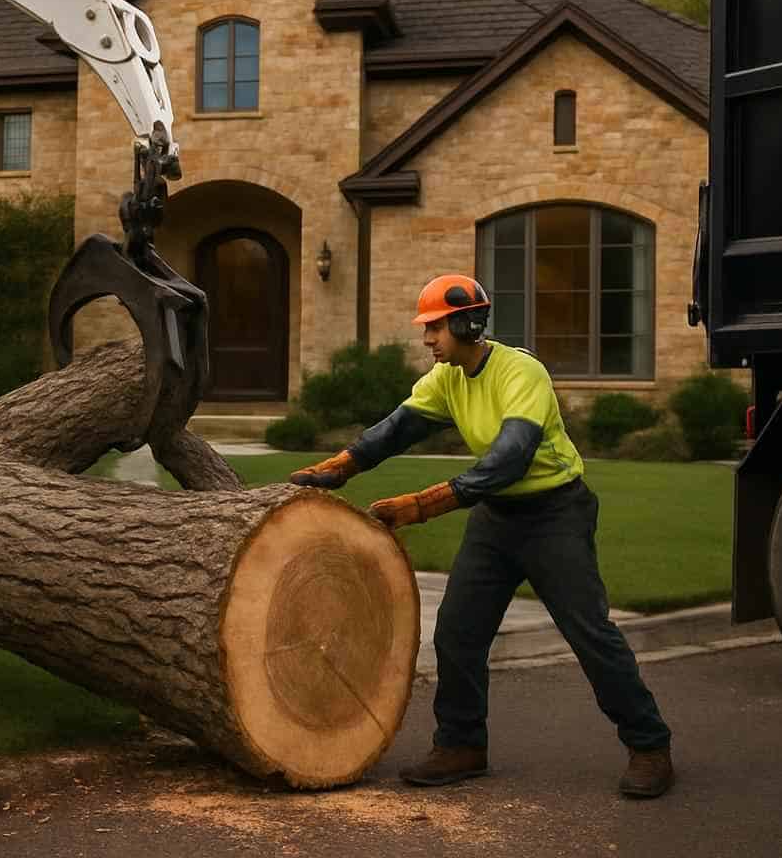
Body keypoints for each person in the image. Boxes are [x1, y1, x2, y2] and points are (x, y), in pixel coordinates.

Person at [289, 274, 674, 798]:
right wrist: (338, 468)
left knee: (589, 633)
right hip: (497, 517)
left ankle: (650, 746)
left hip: (555, 513)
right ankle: (462, 745)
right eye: (426, 328)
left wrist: (423, 505)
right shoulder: (446, 378)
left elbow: (510, 458)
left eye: (435, 327)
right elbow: (395, 429)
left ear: (469, 324)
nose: (427, 338)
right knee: (457, 632)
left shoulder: (521, 372)